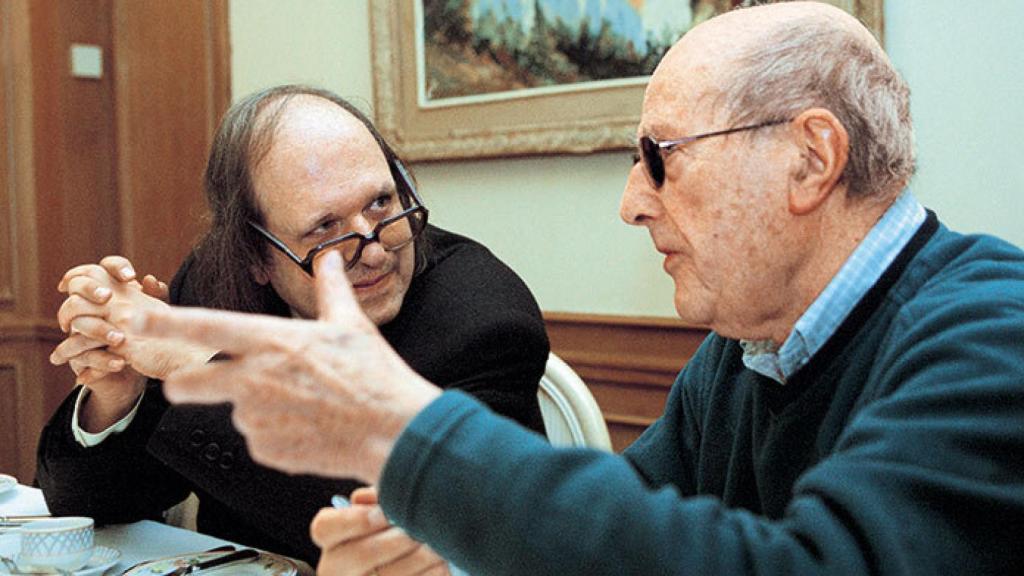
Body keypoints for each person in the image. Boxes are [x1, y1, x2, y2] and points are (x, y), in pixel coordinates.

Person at [125, 3, 1023, 575]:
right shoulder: (745, 352)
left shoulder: (991, 332)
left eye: (658, 160)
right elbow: (627, 530)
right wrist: (448, 554)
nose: (632, 203)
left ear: (811, 160)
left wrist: (406, 432)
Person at [36, 85, 550, 569]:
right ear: (255, 257)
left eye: (381, 203)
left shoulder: (485, 320)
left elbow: (393, 530)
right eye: (326, 228)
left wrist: (194, 361)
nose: (372, 249)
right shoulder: (215, 284)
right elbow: (87, 504)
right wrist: (118, 396)